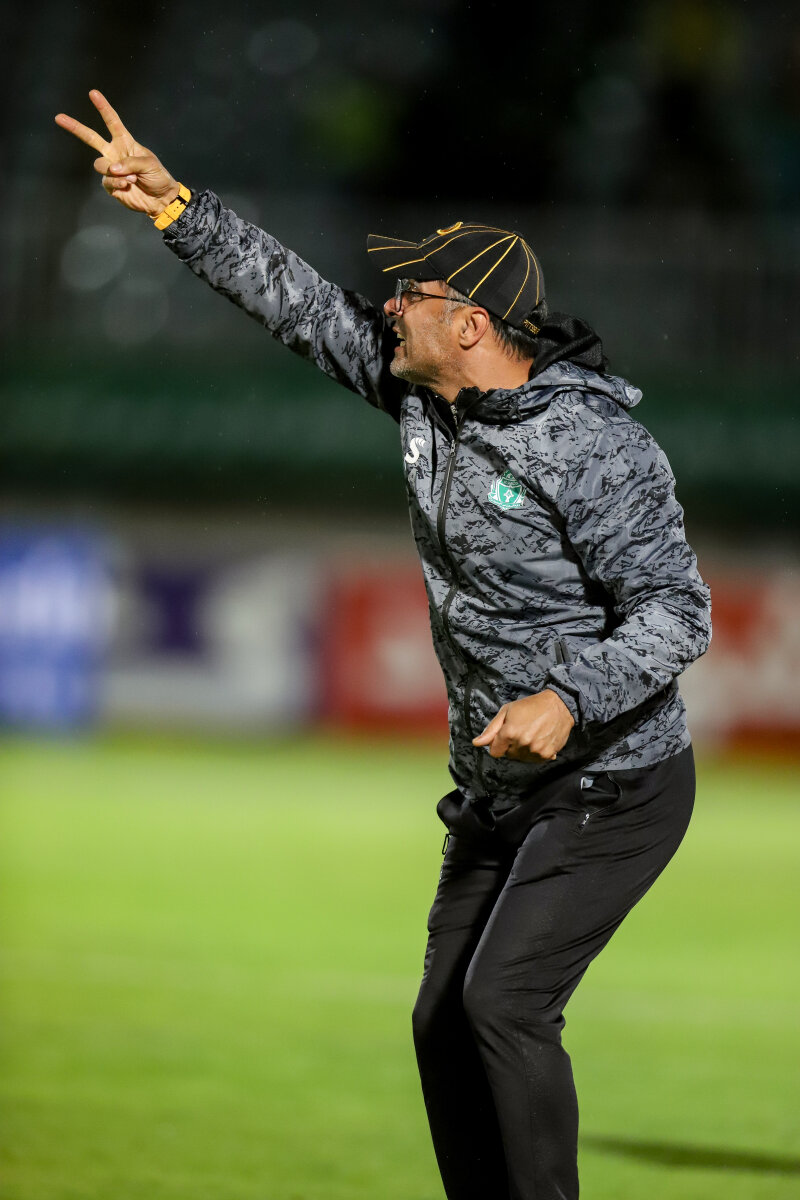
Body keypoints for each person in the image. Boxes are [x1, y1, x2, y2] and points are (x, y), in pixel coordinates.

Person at [56, 90, 712, 1200]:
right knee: (440, 1022)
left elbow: (677, 611)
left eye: (415, 292)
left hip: (611, 782)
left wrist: (565, 695)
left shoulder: (593, 444)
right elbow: (300, 303)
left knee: (501, 1004)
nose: (391, 305)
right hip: (499, 784)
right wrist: (173, 207)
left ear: (474, 325)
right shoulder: (427, 401)